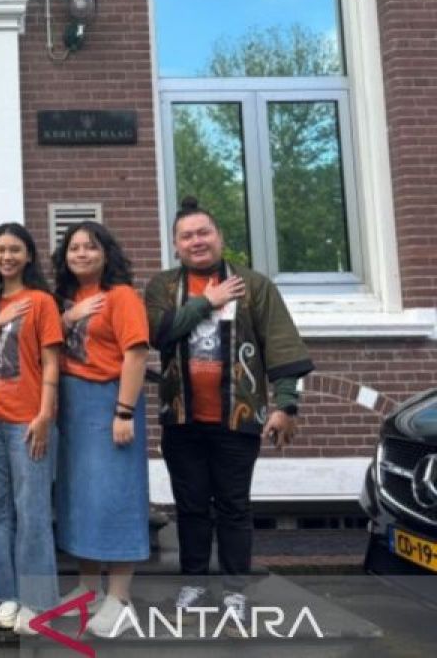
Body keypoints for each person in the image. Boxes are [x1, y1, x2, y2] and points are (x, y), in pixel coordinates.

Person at [144, 197, 313, 628]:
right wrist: (207, 301)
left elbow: (281, 345)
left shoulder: (254, 285)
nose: (196, 241)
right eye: (187, 236)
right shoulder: (162, 288)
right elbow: (160, 334)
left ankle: (235, 589)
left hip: (238, 419)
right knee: (191, 505)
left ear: (219, 237)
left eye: (204, 233)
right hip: (181, 419)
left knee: (234, 507)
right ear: (175, 245)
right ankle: (195, 582)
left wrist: (287, 404)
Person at [51, 221, 151, 638]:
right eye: (74, 248)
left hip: (110, 402)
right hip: (73, 407)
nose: (81, 254)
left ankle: (120, 597)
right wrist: (68, 315)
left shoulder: (121, 296)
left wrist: (124, 411)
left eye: (90, 247)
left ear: (106, 254)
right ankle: (87, 588)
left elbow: (136, 355)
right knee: (80, 498)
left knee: (115, 497)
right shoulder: (68, 299)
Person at [0, 222, 63, 634]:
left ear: (28, 255)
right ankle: (5, 594)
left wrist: (44, 415)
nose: (6, 257)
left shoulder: (41, 301)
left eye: (14, 250)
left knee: (32, 509)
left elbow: (52, 363)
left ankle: (37, 600)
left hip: (29, 419)